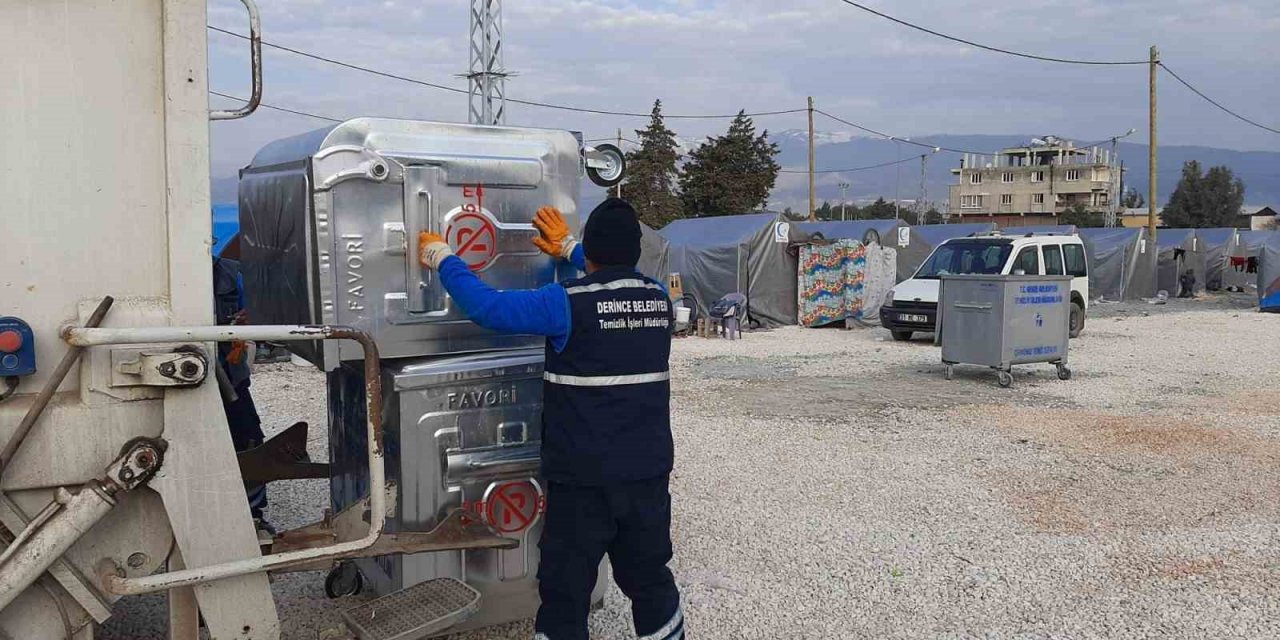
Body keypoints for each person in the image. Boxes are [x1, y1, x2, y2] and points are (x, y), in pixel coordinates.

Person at [418, 199, 683, 640]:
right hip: (647, 473)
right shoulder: (659, 299)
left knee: (566, 587)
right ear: (636, 253)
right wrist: (572, 249)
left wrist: (444, 259)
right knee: (649, 576)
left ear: (594, 249)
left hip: (584, 479)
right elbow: (616, 279)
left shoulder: (566, 304)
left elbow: (489, 309)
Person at [212, 254, 272, 540]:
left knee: (248, 440)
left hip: (230, 378)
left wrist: (252, 316)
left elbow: (258, 311)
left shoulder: (231, 273)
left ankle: (252, 516)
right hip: (194, 377)